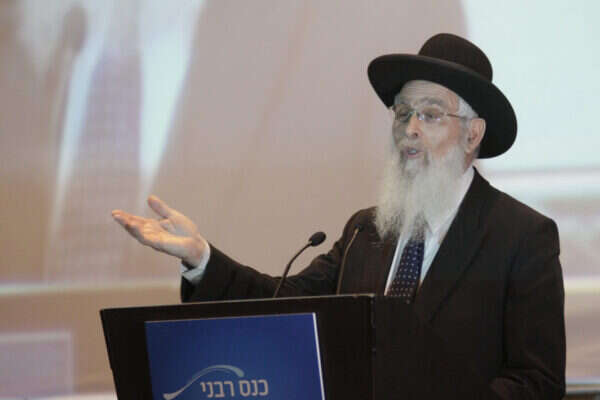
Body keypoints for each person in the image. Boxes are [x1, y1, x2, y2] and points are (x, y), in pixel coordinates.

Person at [113, 33, 565, 398]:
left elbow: (537, 382)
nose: (409, 129)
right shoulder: (365, 231)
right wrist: (201, 258)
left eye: (429, 115)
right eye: (402, 113)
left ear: (472, 134)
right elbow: (282, 303)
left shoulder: (522, 237)